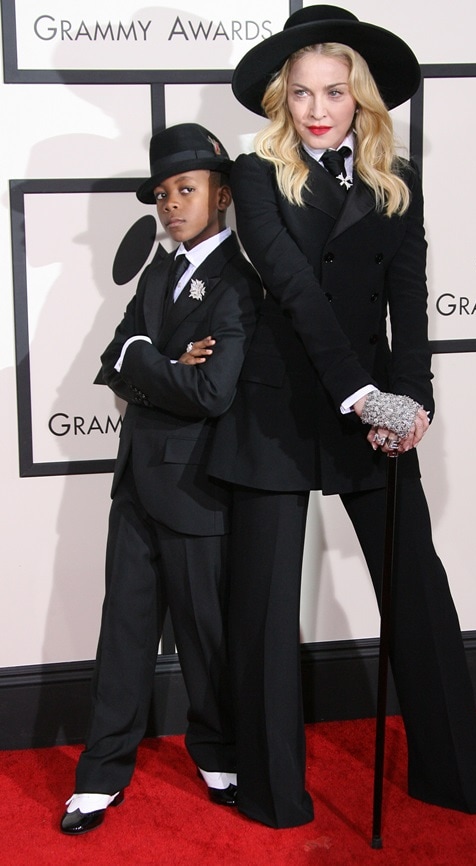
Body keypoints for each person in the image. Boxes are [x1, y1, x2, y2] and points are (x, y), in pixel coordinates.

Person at [208, 6, 476, 829]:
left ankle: (455, 775)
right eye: (300, 93)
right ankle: (274, 794)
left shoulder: (393, 176)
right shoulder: (256, 173)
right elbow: (295, 291)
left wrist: (410, 400)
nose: (316, 108)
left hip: (373, 413)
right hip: (279, 411)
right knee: (266, 613)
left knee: (418, 590)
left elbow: (407, 302)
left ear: (360, 97)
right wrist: (361, 393)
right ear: (281, 99)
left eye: (333, 91)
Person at [60, 123, 263, 834]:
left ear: (223, 194)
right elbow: (114, 359)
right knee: (123, 631)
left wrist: (148, 362)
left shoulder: (241, 280)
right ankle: (100, 774)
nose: (171, 205)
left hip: (197, 488)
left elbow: (214, 394)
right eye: (161, 195)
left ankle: (218, 753)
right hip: (135, 484)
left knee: (207, 635)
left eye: (186, 189)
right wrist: (163, 357)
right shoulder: (155, 274)